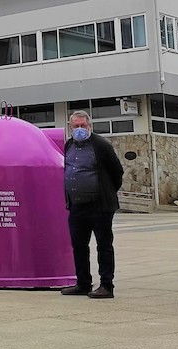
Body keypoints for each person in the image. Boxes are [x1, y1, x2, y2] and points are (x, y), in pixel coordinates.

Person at [60, 110, 124, 299]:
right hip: (76, 206)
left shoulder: (101, 145)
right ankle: (83, 283)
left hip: (99, 206)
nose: (79, 129)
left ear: (89, 126)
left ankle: (106, 285)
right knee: (79, 246)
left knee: (104, 246)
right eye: (75, 126)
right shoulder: (69, 145)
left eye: (83, 126)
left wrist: (106, 192)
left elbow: (117, 172)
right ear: (70, 127)